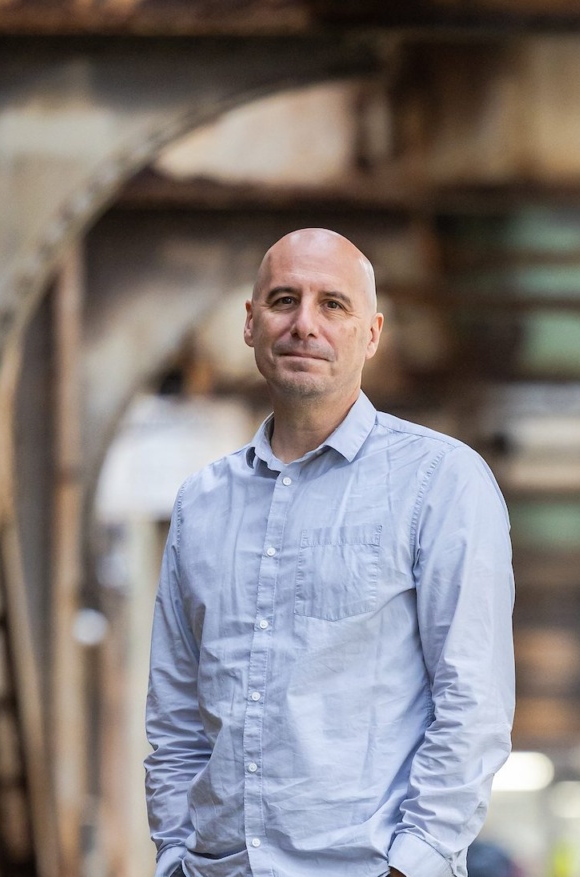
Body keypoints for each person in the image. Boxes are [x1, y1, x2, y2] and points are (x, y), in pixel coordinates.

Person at [145, 228, 515, 877]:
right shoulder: (200, 503)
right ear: (251, 322)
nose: (304, 324)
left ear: (371, 333)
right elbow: (175, 715)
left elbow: (473, 705)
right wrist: (175, 852)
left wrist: (415, 862)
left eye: (333, 304)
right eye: (284, 300)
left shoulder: (440, 482)